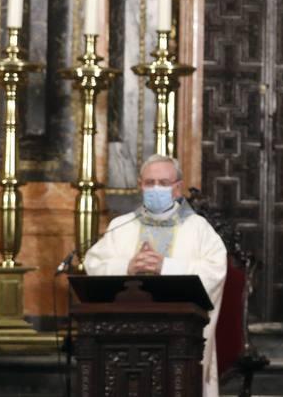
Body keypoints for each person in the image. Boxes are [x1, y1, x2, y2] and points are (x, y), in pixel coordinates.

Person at [84, 154, 227, 397]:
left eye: (164, 182)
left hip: (181, 338)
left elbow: (215, 270)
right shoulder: (122, 226)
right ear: (140, 185)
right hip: (122, 334)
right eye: (150, 183)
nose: (156, 188)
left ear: (177, 187)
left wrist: (166, 267)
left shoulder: (198, 228)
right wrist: (127, 267)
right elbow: (93, 263)